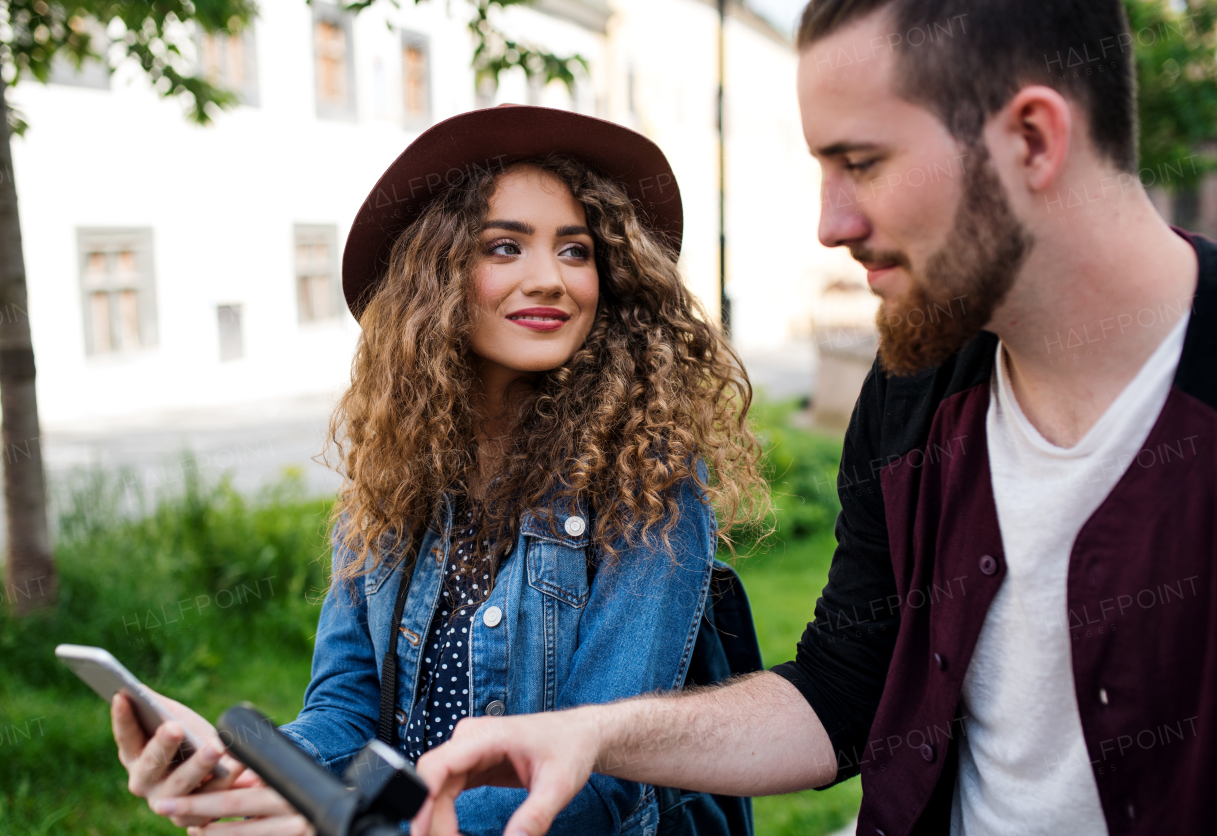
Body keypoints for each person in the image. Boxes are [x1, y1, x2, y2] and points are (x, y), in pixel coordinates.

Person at [410, 2, 1217, 836]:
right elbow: (841, 694)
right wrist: (592, 733)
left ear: (1033, 140)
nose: (832, 225)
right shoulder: (912, 388)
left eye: (861, 163)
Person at [107, 105, 769, 836]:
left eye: (576, 251)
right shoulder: (395, 481)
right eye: (505, 247)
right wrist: (250, 772)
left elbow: (602, 776)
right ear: (436, 275)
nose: (550, 278)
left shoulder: (647, 486)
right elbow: (345, 713)